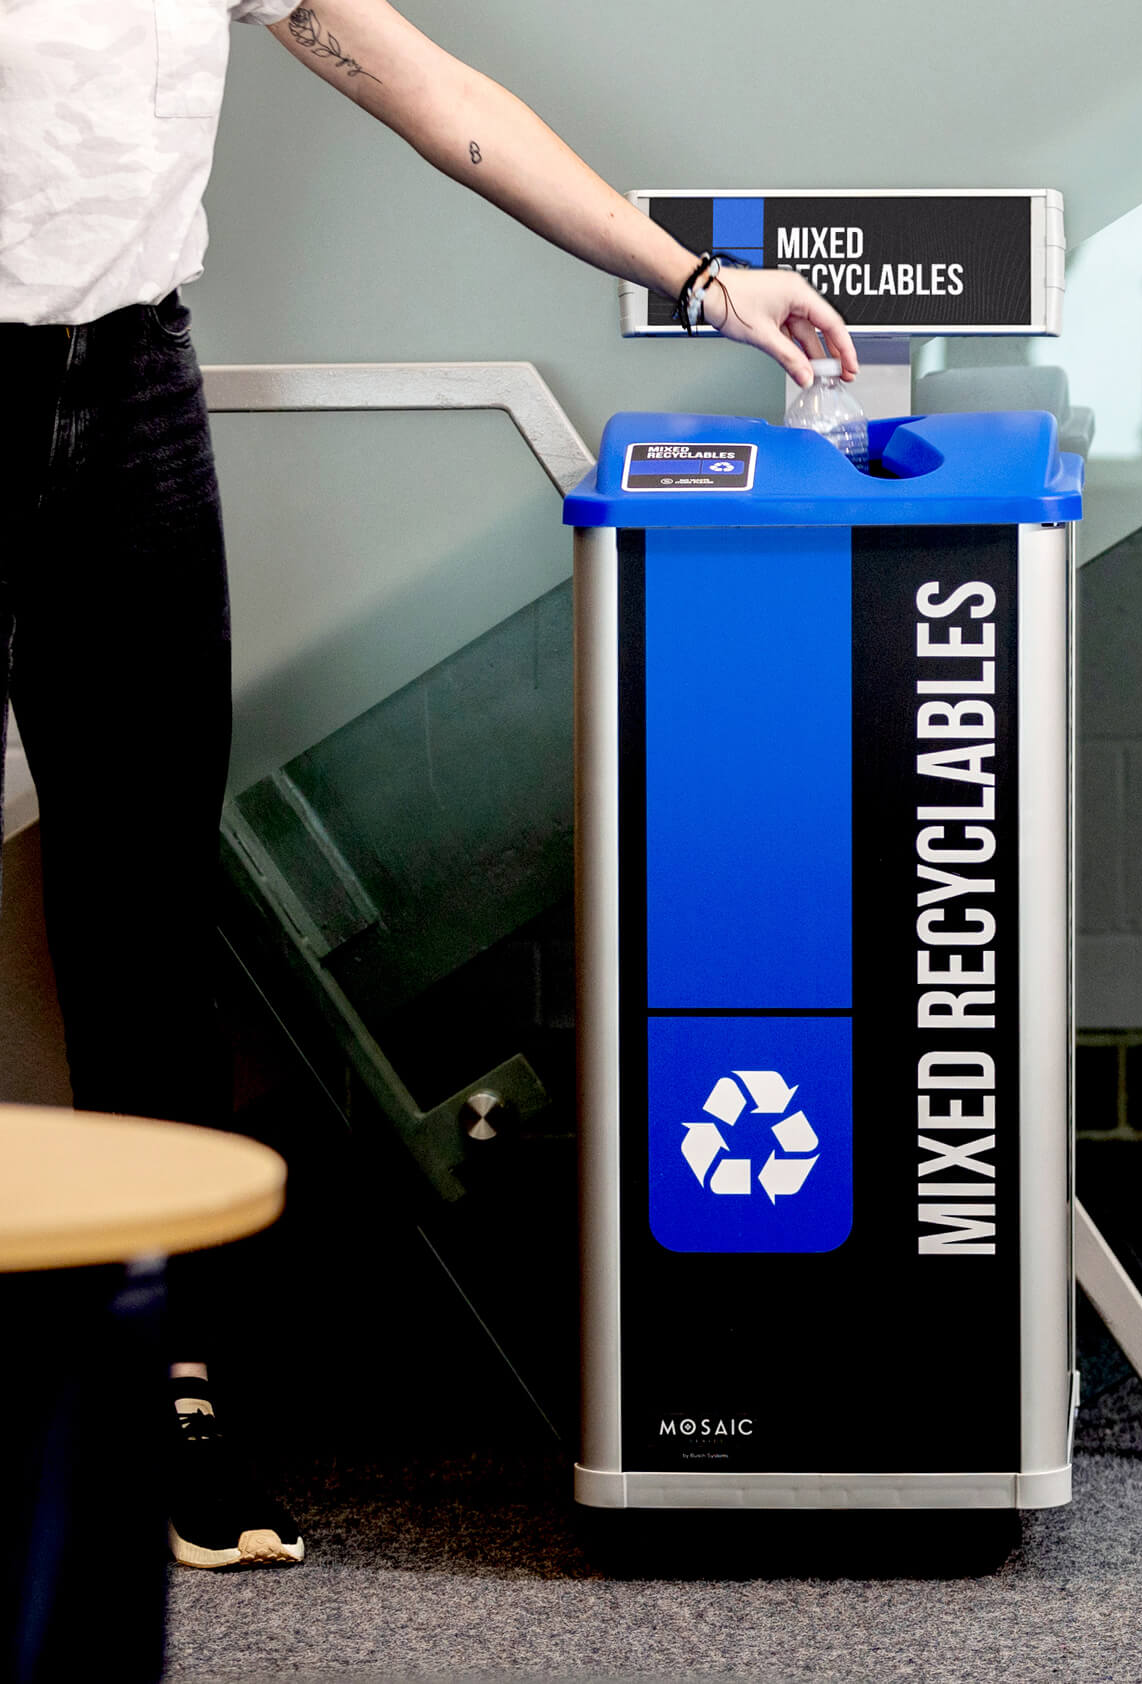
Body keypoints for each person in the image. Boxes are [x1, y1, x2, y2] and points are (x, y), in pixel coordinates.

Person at [0, 0, 857, 1571]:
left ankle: (165, 1388)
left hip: (123, 385)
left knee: (141, 912)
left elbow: (437, 93)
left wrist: (701, 275)